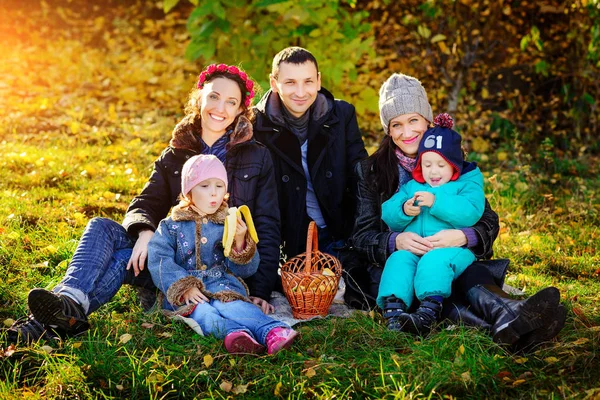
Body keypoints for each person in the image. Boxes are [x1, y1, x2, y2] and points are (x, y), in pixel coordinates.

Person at [6, 63, 280, 343]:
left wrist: (260, 289)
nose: (220, 107)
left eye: (231, 101)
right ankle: (68, 303)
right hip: (170, 257)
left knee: (121, 260)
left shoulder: (255, 157)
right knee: (101, 226)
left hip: (216, 268)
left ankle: (48, 323)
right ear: (199, 98)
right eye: (213, 96)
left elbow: (268, 224)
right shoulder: (176, 153)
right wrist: (145, 231)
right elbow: (146, 201)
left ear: (239, 111)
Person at [349, 73, 566, 351]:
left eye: (413, 120)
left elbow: (486, 219)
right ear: (388, 130)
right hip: (396, 265)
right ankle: (502, 328)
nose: (407, 132)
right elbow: (361, 235)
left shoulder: (453, 162)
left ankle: (509, 312)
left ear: (427, 121)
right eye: (396, 124)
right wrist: (393, 241)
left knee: (455, 268)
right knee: (424, 279)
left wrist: (464, 237)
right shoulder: (371, 172)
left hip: (448, 254)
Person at [148, 155, 297, 354]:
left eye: (219, 186)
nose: (213, 194)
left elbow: (245, 270)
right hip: (188, 290)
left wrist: (240, 242)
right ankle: (235, 335)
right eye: (204, 186)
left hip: (222, 283)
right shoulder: (171, 225)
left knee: (234, 306)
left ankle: (272, 332)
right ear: (188, 191)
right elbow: (159, 259)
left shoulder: (228, 222)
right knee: (203, 312)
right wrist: (183, 286)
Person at [252, 47, 367, 295]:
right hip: (292, 238)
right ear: (274, 83)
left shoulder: (342, 115)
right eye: (290, 82)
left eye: (308, 81)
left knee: (363, 290)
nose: (301, 92)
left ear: (319, 81)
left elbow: (361, 177)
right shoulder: (256, 125)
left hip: (340, 227)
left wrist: (360, 233)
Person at [378, 113, 486, 336]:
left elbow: (471, 212)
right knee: (398, 260)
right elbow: (387, 211)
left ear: (454, 166)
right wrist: (404, 210)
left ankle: (428, 312)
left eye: (440, 165)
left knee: (434, 261)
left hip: (452, 250)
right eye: (427, 164)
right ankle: (394, 312)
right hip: (415, 248)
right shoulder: (414, 185)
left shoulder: (464, 184)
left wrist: (437, 202)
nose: (433, 172)